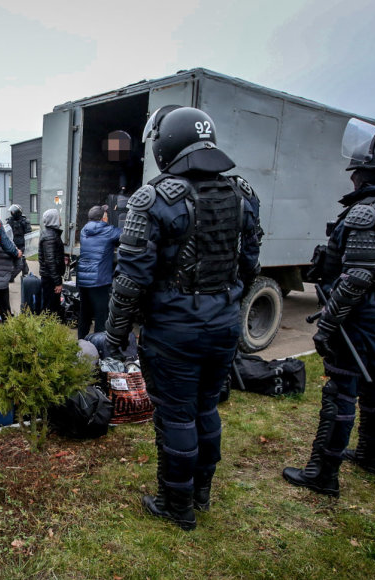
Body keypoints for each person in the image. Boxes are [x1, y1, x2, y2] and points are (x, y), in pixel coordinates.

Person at [104, 106, 262, 531]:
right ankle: (202, 493)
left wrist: (115, 336)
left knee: (176, 415)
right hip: (224, 323)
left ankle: (177, 505)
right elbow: (249, 265)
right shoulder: (242, 193)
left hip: (174, 329)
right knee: (207, 409)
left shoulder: (153, 199)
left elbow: (130, 280)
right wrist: (225, 303)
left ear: (164, 145)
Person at [283, 124, 375, 497]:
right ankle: (370, 454)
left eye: (359, 170)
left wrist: (329, 323)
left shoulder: (368, 213)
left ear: (374, 171)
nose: (353, 175)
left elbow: (356, 278)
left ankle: (323, 472)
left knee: (342, 388)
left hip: (360, 312)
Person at [76, 204, 122, 339]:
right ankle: (98, 347)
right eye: (106, 216)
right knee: (101, 316)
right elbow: (124, 234)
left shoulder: (85, 230)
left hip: (84, 280)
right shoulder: (108, 230)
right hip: (99, 281)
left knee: (84, 314)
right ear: (103, 218)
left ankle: (81, 344)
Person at [38, 208, 66, 318]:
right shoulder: (50, 236)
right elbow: (50, 261)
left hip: (50, 277)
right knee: (50, 308)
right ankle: (46, 331)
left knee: (51, 307)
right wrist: (57, 282)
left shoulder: (51, 234)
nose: (60, 218)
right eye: (58, 216)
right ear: (53, 219)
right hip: (50, 279)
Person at [6, 204, 32, 276]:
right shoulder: (10, 220)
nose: (12, 213)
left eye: (13, 212)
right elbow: (6, 231)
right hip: (12, 243)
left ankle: (25, 273)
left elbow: (28, 234)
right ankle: (20, 273)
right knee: (15, 259)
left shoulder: (24, 221)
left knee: (21, 258)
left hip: (22, 244)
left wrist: (27, 244)